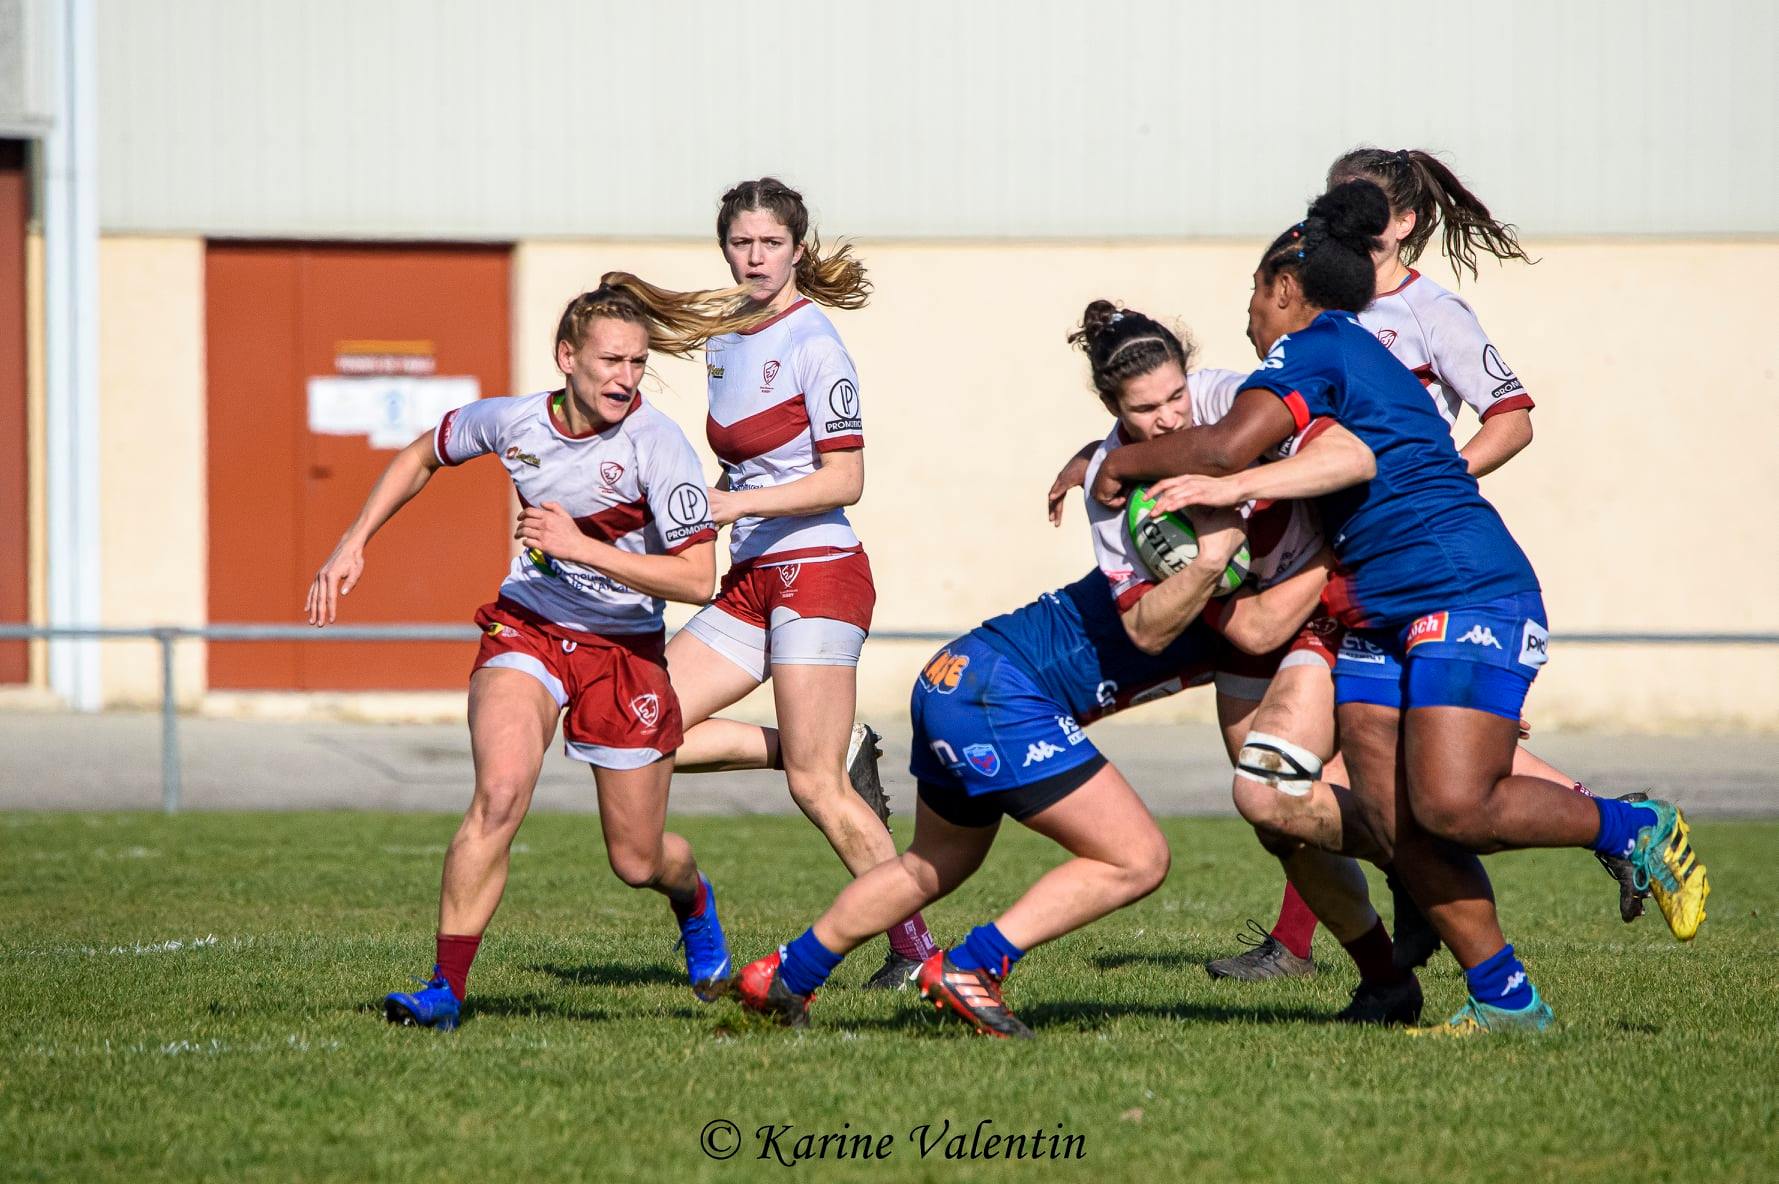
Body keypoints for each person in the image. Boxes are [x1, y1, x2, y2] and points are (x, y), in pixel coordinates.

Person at [1091, 181, 1709, 1033]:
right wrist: (1100, 455)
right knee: (1395, 821)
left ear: (1281, 287)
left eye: (1251, 294)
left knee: (1455, 804)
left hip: (1459, 582)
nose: (1247, 312)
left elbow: (1225, 441)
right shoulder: (1329, 351)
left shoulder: (1314, 348)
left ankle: (1632, 824)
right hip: (1375, 606)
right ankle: (1506, 1000)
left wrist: (1123, 468)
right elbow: (1201, 433)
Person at [729, 299, 1352, 1038]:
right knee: (1135, 858)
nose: (1169, 420)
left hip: (957, 676)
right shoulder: (1132, 501)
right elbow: (1157, 631)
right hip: (997, 691)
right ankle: (974, 966)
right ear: (1112, 409)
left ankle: (779, 975)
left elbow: (1268, 434)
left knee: (934, 864)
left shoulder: (1221, 412)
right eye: (1144, 409)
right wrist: (1235, 556)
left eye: (1175, 397)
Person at [306, 276, 762, 1030]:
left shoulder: (659, 447)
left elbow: (695, 576)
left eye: (637, 363)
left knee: (637, 861)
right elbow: (422, 451)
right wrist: (353, 542)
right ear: (566, 358)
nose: (624, 377)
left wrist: (581, 545)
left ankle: (694, 899)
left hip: (623, 652)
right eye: (610, 361)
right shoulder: (513, 422)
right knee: (500, 795)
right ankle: (444, 992)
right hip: (529, 628)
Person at [663, 177, 938, 989]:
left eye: (770, 243)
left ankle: (916, 954)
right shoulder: (725, 339)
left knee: (817, 790)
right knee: (640, 731)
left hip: (819, 570)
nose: (754, 257)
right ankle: (819, 744)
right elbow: (740, 466)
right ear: (725, 247)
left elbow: (843, 479)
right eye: (741, 243)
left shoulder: (815, 344)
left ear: (796, 248)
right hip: (753, 575)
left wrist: (730, 503)